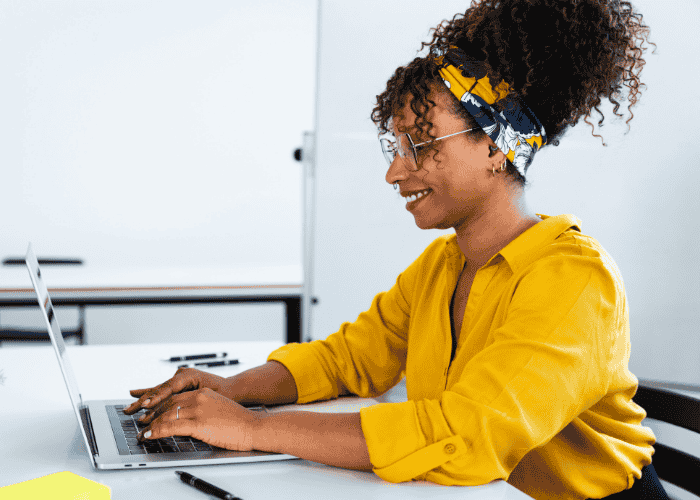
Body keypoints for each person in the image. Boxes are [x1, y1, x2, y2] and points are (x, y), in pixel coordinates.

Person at [124, 1, 664, 498]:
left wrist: (252, 428)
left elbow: (466, 436)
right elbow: (346, 360)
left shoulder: (574, 280)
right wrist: (233, 389)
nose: (394, 172)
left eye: (421, 145)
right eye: (396, 146)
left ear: (498, 146)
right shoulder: (443, 266)